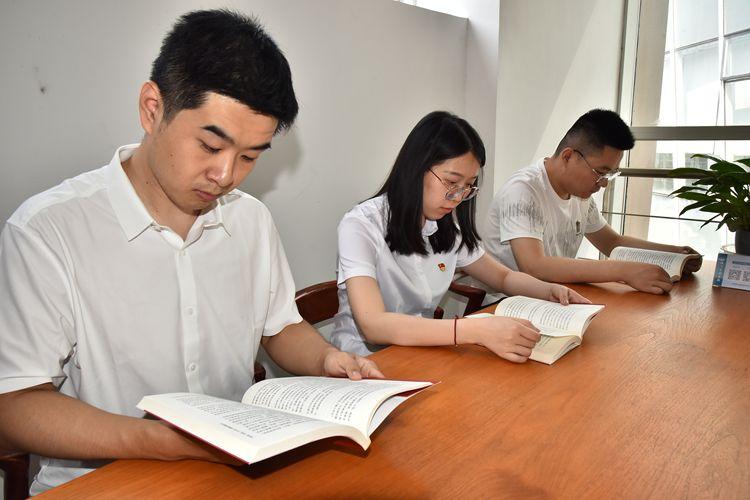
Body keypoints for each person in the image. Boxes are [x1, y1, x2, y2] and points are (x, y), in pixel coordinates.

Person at [0, 10, 381, 493]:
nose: (226, 176)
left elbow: (280, 327)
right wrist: (156, 440)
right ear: (151, 109)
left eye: (249, 157)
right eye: (210, 145)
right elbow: (13, 404)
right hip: (102, 484)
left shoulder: (251, 220)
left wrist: (326, 359)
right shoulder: (48, 231)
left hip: (231, 474)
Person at [329, 111, 590, 361]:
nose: (458, 197)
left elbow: (502, 277)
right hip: (364, 361)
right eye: (451, 182)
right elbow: (374, 325)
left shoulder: (444, 227)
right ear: (416, 168)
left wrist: (550, 291)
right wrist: (472, 330)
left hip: (419, 354)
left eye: (468, 186)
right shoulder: (361, 225)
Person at [485, 109, 702, 295]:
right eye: (600, 172)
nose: (604, 183)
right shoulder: (523, 191)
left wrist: (675, 253)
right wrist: (623, 271)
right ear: (568, 156)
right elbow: (534, 266)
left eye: (610, 174)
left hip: (556, 297)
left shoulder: (580, 195)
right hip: (507, 303)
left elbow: (612, 242)